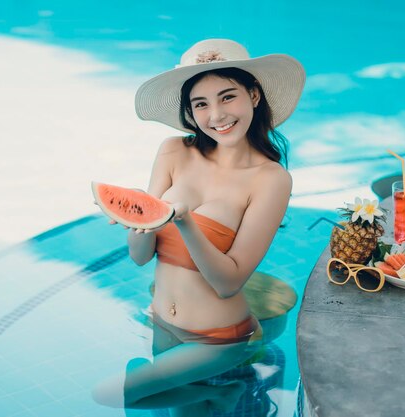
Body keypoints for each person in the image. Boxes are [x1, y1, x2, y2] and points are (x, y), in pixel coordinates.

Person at [93, 38, 305, 416]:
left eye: (228, 97)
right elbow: (140, 258)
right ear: (190, 112)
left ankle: (220, 395)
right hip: (161, 321)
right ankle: (219, 399)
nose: (217, 116)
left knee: (110, 394)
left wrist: (185, 220)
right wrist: (135, 219)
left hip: (216, 339)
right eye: (201, 104)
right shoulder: (174, 151)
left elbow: (229, 282)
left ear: (253, 95)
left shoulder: (271, 180)